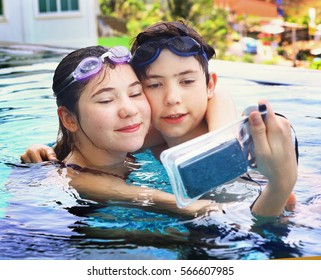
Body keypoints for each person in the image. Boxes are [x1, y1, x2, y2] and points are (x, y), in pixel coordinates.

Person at [21, 21, 297, 217]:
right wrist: (52, 152)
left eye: (187, 81)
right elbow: (78, 173)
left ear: (207, 84)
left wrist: (224, 140)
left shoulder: (205, 123)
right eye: (153, 85)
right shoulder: (137, 137)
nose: (172, 98)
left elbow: (218, 95)